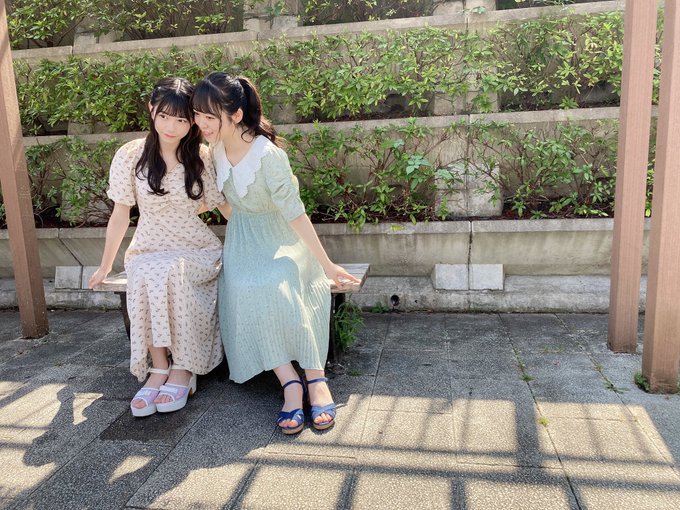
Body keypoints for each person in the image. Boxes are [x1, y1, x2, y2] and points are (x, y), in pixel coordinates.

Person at [192, 72, 360, 433]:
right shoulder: (214, 151)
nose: (201, 123)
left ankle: (315, 377)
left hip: (282, 237)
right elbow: (227, 205)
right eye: (197, 115)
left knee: (278, 279)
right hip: (243, 240)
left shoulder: (268, 155)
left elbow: (295, 214)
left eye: (209, 116)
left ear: (236, 114)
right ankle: (289, 381)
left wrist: (326, 264)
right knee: (243, 284)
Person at [88, 77, 228, 417]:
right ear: (151, 109)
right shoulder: (130, 155)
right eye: (164, 116)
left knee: (173, 271)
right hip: (148, 246)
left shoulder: (201, 156)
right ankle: (159, 366)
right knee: (147, 270)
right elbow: (121, 214)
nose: (171, 126)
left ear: (191, 122)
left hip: (196, 248)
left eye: (181, 119)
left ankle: (184, 367)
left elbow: (220, 204)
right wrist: (105, 265)